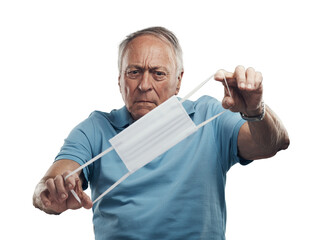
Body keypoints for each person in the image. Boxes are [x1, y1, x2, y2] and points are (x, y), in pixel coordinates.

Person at [33, 26, 289, 239]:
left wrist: (255, 110)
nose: (144, 85)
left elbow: (272, 143)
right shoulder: (96, 128)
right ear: (119, 79)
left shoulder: (208, 116)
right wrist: (52, 190)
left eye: (158, 74)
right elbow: (54, 177)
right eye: (134, 72)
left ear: (178, 80)